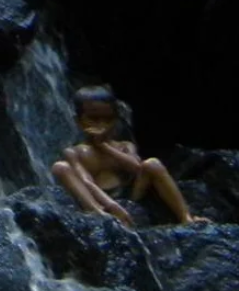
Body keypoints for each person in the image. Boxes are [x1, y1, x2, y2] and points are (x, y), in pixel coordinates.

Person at [50, 86, 208, 227]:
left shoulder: (124, 146)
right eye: (94, 119)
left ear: (116, 119)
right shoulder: (75, 152)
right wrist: (111, 206)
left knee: (152, 164)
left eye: (108, 119)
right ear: (78, 121)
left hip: (129, 195)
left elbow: (136, 167)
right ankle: (98, 213)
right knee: (60, 167)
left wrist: (103, 146)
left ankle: (185, 216)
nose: (102, 125)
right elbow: (86, 181)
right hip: (97, 197)